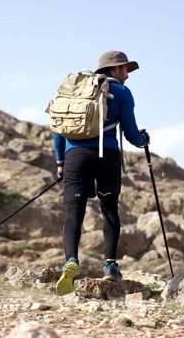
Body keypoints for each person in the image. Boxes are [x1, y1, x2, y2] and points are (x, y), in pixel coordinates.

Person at [53, 50, 150, 296]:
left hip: (75, 156)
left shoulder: (75, 90)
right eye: (126, 68)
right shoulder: (122, 93)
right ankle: (110, 265)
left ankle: (71, 260)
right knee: (109, 209)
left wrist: (60, 161)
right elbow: (130, 132)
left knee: (74, 211)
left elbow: (59, 127)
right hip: (106, 156)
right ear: (115, 69)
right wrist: (143, 141)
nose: (128, 74)